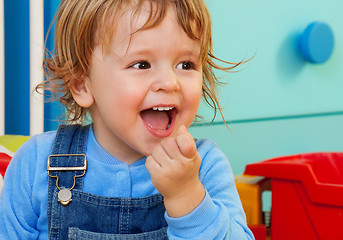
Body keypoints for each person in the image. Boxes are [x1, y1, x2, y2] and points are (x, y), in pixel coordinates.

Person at [0, 0, 255, 239]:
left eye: (186, 64)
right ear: (82, 85)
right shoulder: (36, 164)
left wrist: (187, 196)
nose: (169, 83)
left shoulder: (204, 167)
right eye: (142, 64)